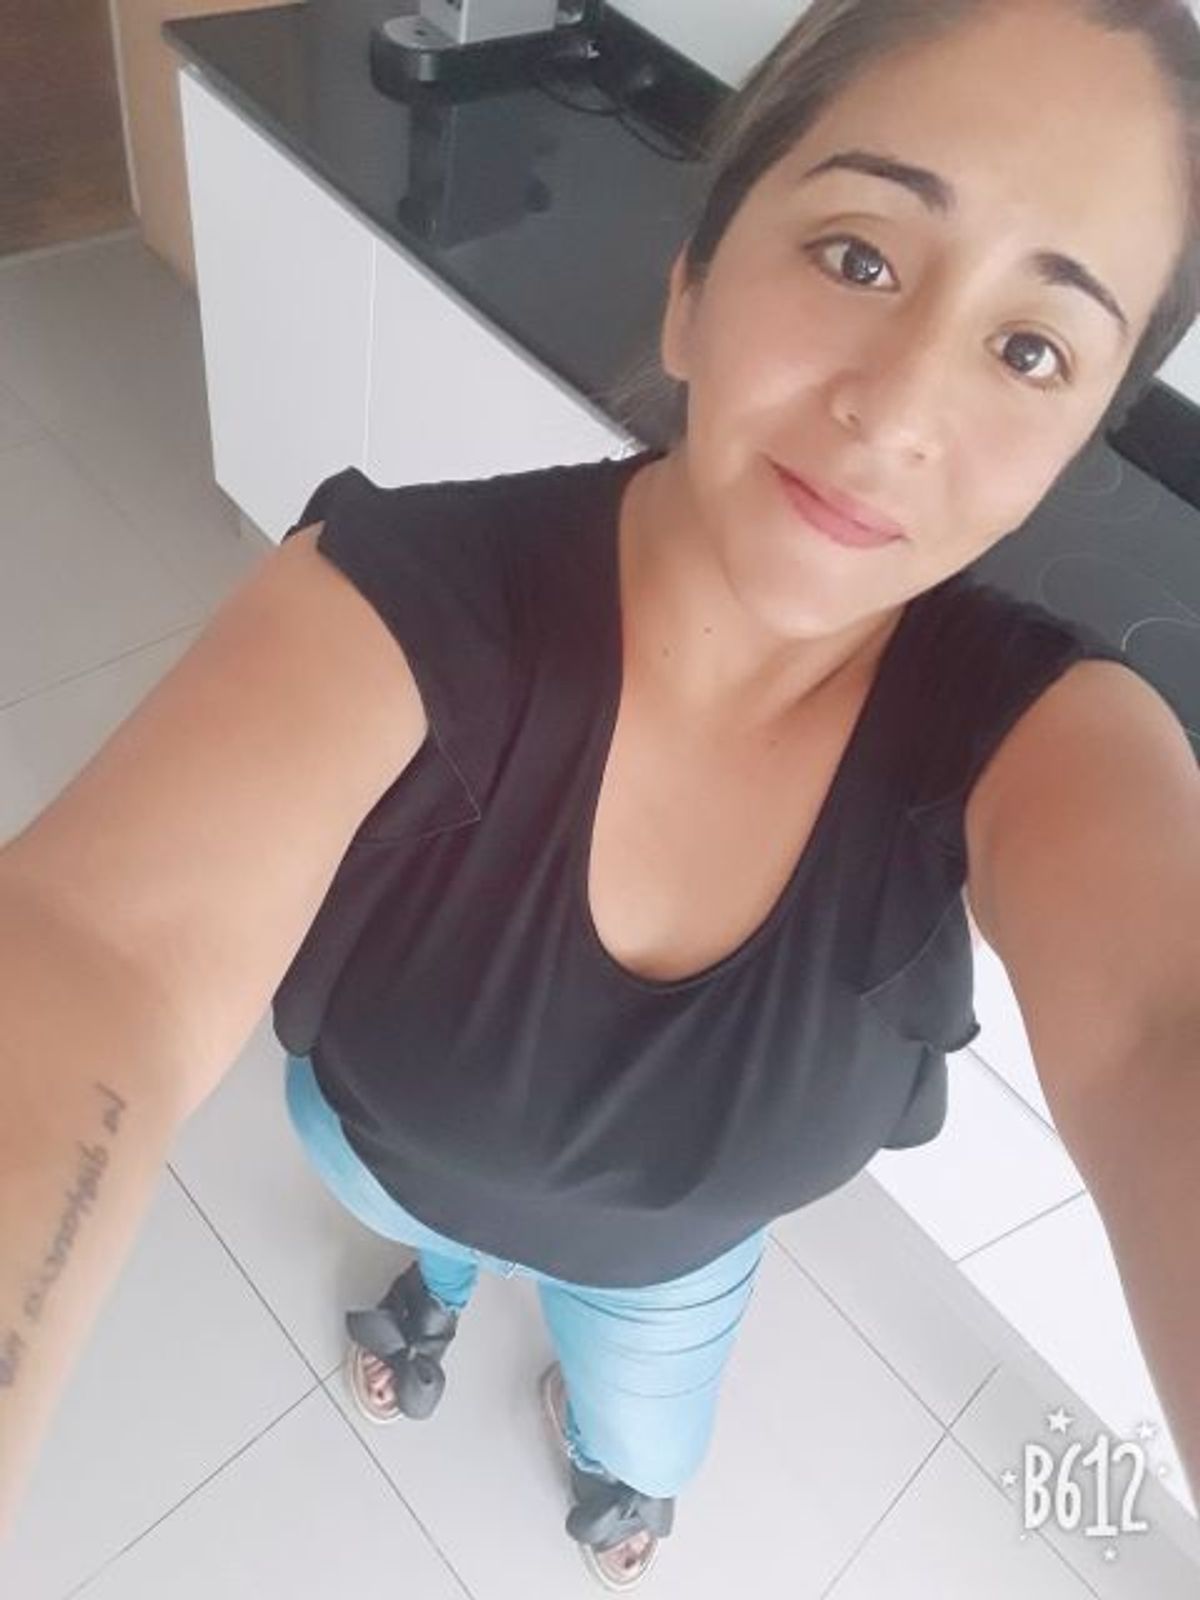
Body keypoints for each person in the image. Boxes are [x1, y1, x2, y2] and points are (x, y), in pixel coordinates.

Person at [2, 0, 1199, 1588]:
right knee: (427, 1238)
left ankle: (616, 1463)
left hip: (666, 1268)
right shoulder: (400, 600)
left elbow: (1165, 1031)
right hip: (387, 1159)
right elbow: (91, 952)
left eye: (1031, 349)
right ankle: (434, 1289)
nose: (901, 411)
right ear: (693, 283)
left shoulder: (1051, 744)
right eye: (857, 256)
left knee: (646, 1421)